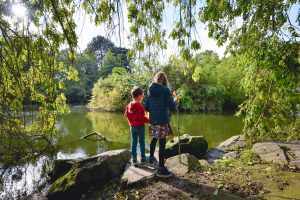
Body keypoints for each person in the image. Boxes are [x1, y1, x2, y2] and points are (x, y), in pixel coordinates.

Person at [145, 71, 177, 177]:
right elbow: (172, 106)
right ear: (164, 80)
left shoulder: (150, 91)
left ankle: (151, 159)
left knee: (154, 138)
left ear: (155, 79)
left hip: (153, 120)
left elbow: (146, 107)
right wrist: (176, 101)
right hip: (163, 120)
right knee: (162, 143)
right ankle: (161, 168)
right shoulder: (165, 90)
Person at [124, 86, 149, 166]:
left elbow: (126, 115)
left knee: (134, 142)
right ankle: (143, 159)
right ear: (139, 96)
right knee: (142, 142)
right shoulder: (139, 105)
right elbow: (143, 118)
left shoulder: (129, 105)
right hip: (140, 127)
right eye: (142, 95)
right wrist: (150, 121)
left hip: (132, 127)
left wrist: (130, 123)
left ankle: (134, 160)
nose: (143, 96)